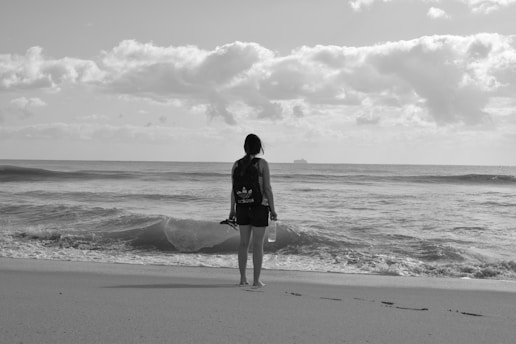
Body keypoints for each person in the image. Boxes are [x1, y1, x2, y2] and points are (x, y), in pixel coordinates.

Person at [229, 134, 278, 287]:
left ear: (245, 147)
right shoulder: (262, 164)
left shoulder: (236, 164)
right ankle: (256, 281)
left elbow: (233, 189)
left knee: (243, 243)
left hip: (242, 207)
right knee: (258, 245)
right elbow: (267, 188)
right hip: (259, 207)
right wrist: (273, 209)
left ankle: (242, 279)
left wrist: (232, 209)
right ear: (258, 148)